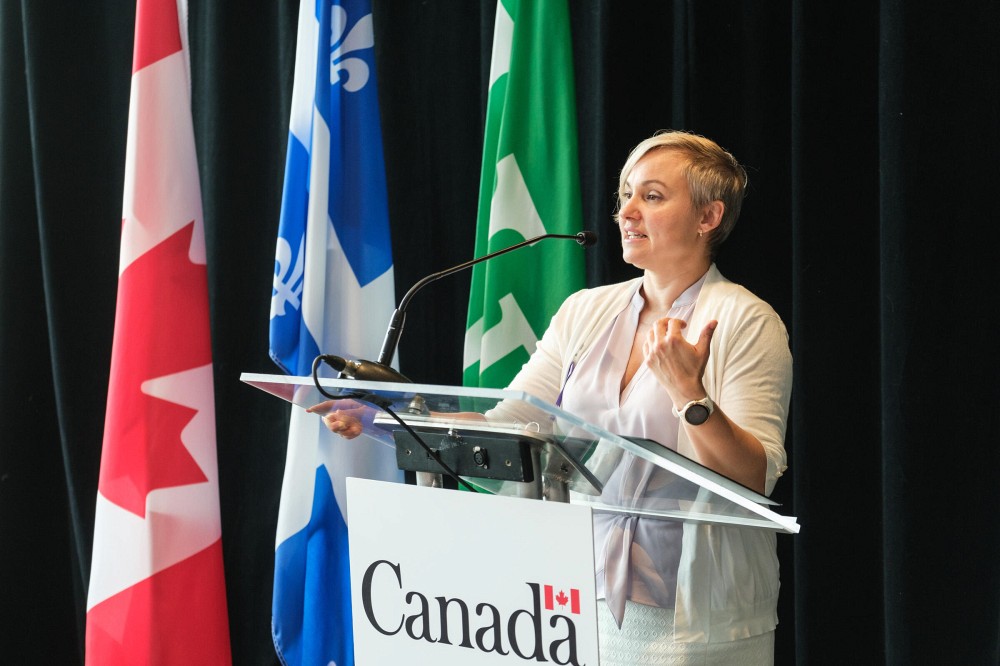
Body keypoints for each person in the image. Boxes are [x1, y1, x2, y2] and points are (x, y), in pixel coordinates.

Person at [317, 130, 792, 664]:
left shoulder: (746, 322)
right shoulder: (584, 312)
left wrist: (690, 395)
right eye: (625, 196)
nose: (626, 212)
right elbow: (511, 425)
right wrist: (387, 419)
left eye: (652, 196)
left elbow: (753, 479)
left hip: (696, 618)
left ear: (708, 217)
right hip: (568, 602)